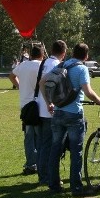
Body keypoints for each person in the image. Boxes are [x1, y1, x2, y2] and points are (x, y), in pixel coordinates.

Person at [43, 42, 100, 197]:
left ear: (72, 53)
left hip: (58, 113)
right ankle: (76, 187)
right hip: (74, 114)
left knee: (55, 149)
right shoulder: (82, 69)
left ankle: (53, 184)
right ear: (86, 56)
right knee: (76, 151)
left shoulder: (61, 65)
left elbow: (43, 82)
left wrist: (49, 103)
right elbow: (88, 92)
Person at [9, 44, 45, 176]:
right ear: (42, 55)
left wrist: (19, 86)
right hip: (39, 105)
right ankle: (41, 163)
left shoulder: (23, 65)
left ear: (31, 55)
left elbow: (11, 76)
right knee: (41, 137)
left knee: (29, 137)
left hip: (25, 106)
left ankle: (30, 164)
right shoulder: (42, 66)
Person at [37, 39, 67, 187]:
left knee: (45, 144)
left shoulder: (45, 62)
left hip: (42, 108)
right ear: (64, 53)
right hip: (50, 110)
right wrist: (50, 102)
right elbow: (47, 83)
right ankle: (47, 176)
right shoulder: (55, 64)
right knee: (52, 145)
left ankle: (43, 175)